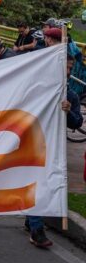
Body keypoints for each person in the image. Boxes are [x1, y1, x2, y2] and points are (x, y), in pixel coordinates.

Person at [26, 52, 83, 248]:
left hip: (55, 149)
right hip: (35, 144)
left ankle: (32, 221)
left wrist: (68, 112)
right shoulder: (40, 91)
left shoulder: (71, 95)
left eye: (70, 69)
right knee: (38, 184)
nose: (67, 72)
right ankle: (36, 229)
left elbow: (77, 123)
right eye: (64, 68)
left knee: (47, 184)